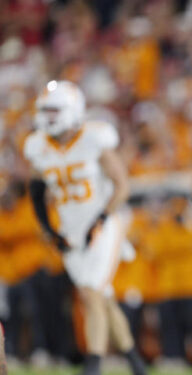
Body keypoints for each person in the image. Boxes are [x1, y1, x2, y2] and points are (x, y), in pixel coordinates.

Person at [24, 80, 146, 375]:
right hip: (71, 230)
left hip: (104, 224)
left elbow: (122, 186)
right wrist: (48, 228)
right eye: (45, 111)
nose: (49, 117)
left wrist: (100, 220)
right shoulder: (39, 146)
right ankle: (136, 365)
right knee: (101, 297)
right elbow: (37, 189)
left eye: (55, 110)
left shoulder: (94, 138)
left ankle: (92, 367)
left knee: (90, 293)